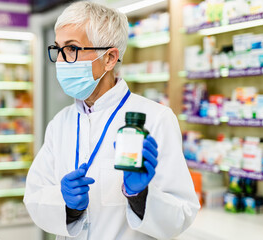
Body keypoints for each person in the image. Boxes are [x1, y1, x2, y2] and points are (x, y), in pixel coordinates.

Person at [24, 2, 200, 239]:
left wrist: (140, 195)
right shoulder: (60, 123)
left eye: (72, 49)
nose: (62, 60)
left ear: (109, 58)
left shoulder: (156, 118)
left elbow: (182, 212)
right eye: (58, 49)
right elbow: (35, 196)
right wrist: (67, 206)